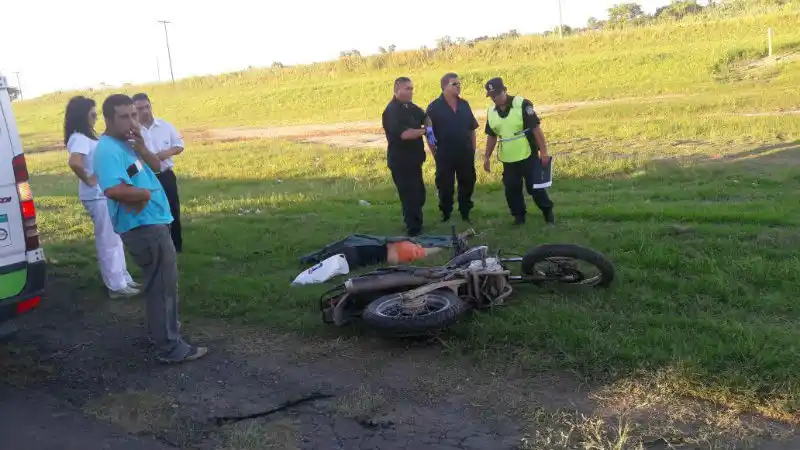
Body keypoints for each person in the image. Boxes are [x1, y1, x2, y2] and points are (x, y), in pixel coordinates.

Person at [93, 93, 207, 364]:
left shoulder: (129, 144)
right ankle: (170, 347)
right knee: (162, 287)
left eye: (134, 114)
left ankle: (164, 334)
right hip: (143, 226)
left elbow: (156, 166)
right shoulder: (107, 149)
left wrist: (142, 146)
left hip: (154, 221)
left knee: (162, 285)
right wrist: (145, 195)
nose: (132, 121)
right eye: (125, 116)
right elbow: (112, 189)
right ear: (108, 120)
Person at [63, 95, 141, 299]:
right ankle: (116, 286)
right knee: (108, 240)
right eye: (92, 114)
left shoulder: (87, 136)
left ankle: (124, 278)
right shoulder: (79, 137)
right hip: (96, 196)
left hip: (103, 194)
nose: (96, 117)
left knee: (116, 238)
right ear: (82, 115)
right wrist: (90, 179)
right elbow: (75, 162)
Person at [482, 77, 555, 226]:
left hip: (527, 153)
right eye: (492, 96)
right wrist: (486, 157)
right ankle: (519, 217)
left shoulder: (522, 104)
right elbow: (492, 135)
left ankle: (548, 213)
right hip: (508, 158)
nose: (495, 98)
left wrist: (544, 153)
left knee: (534, 187)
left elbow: (536, 129)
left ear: (505, 90)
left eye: (497, 94)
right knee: (511, 188)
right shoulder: (491, 112)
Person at [381, 77, 436, 236]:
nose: (411, 92)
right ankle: (414, 230)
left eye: (412, 88)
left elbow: (425, 117)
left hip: (414, 160)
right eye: (407, 89)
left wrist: (429, 126)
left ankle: (417, 223)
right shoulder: (391, 111)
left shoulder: (410, 107)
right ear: (397, 90)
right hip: (400, 162)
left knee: (419, 194)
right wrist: (426, 131)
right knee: (409, 196)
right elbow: (405, 134)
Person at [132, 93, 185, 253]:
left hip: (165, 175)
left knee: (172, 209)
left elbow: (179, 146)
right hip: (144, 177)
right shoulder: (132, 131)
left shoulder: (165, 126)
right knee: (149, 212)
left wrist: (164, 154)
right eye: (140, 108)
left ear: (150, 105)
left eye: (147, 106)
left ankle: (176, 246)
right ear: (134, 110)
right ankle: (153, 246)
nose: (145, 111)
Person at [425, 72, 479, 223]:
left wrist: (473, 149)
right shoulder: (433, 107)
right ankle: (446, 212)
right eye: (454, 84)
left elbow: (471, 128)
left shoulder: (464, 104)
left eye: (459, 83)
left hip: (465, 151)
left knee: (467, 181)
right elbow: (429, 133)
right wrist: (435, 152)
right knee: (445, 185)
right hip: (444, 153)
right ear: (444, 87)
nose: (458, 86)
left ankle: (465, 212)